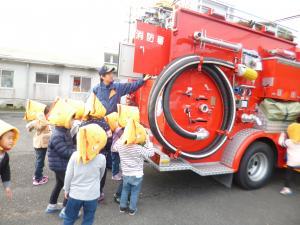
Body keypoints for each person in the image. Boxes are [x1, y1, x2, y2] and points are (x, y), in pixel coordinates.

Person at [92, 65, 151, 169]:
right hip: (100, 122)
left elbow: (131, 86)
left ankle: (110, 166)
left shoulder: (117, 87)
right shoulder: (96, 89)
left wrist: (143, 80)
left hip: (113, 123)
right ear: (102, 76)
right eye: (109, 74)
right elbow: (91, 105)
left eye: (112, 73)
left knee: (112, 145)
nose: (111, 75)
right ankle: (99, 164)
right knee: (100, 143)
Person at [63, 124, 107, 225]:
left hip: (75, 194)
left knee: (69, 218)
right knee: (88, 219)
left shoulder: (75, 156)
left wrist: (66, 189)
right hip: (92, 195)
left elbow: (68, 175)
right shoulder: (101, 158)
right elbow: (101, 175)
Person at [113, 119, 155, 215]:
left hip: (126, 174)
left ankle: (122, 207)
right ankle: (132, 209)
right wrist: (148, 141)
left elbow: (114, 147)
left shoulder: (121, 145)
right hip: (137, 174)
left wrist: (123, 137)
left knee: (125, 190)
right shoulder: (139, 148)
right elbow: (151, 153)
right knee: (134, 192)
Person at [45, 100, 76, 219]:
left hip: (60, 164)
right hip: (60, 165)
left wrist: (74, 148)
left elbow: (68, 146)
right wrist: (77, 151)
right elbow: (64, 152)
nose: (73, 122)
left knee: (59, 184)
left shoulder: (63, 131)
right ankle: (65, 210)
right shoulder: (58, 134)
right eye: (71, 119)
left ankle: (52, 205)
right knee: (70, 187)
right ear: (64, 119)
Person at [26, 106, 51, 186]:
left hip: (39, 144)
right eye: (49, 114)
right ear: (45, 114)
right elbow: (41, 124)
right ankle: (38, 179)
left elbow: (29, 126)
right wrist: (40, 114)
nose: (50, 115)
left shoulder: (41, 121)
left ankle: (38, 175)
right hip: (40, 145)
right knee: (40, 162)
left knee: (39, 161)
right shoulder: (41, 122)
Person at [0, 120, 19, 201]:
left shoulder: (5, 155)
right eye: (9, 138)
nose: (11, 141)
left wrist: (7, 186)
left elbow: (5, 171)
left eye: (12, 138)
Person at [278, 123, 300, 195]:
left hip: (291, 163)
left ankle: (286, 188)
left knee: (288, 174)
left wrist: (282, 134)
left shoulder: (289, 142)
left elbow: (280, 142)